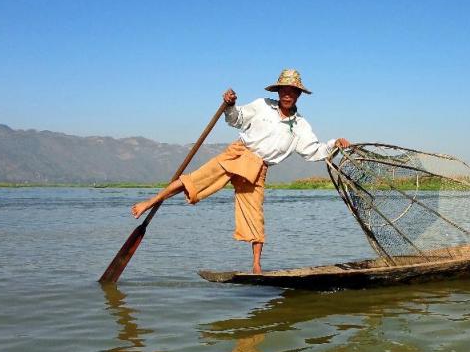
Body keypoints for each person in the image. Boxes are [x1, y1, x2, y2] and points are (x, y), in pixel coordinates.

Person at [131, 69, 350, 273]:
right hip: (238, 153)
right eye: (284, 90)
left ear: (298, 95)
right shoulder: (262, 105)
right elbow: (237, 118)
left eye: (292, 91)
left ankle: (256, 265)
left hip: (258, 168)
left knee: (255, 215)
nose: (287, 94)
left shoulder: (300, 126)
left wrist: (334, 144)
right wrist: (230, 105)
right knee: (196, 179)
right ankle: (149, 202)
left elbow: (314, 151)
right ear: (278, 91)